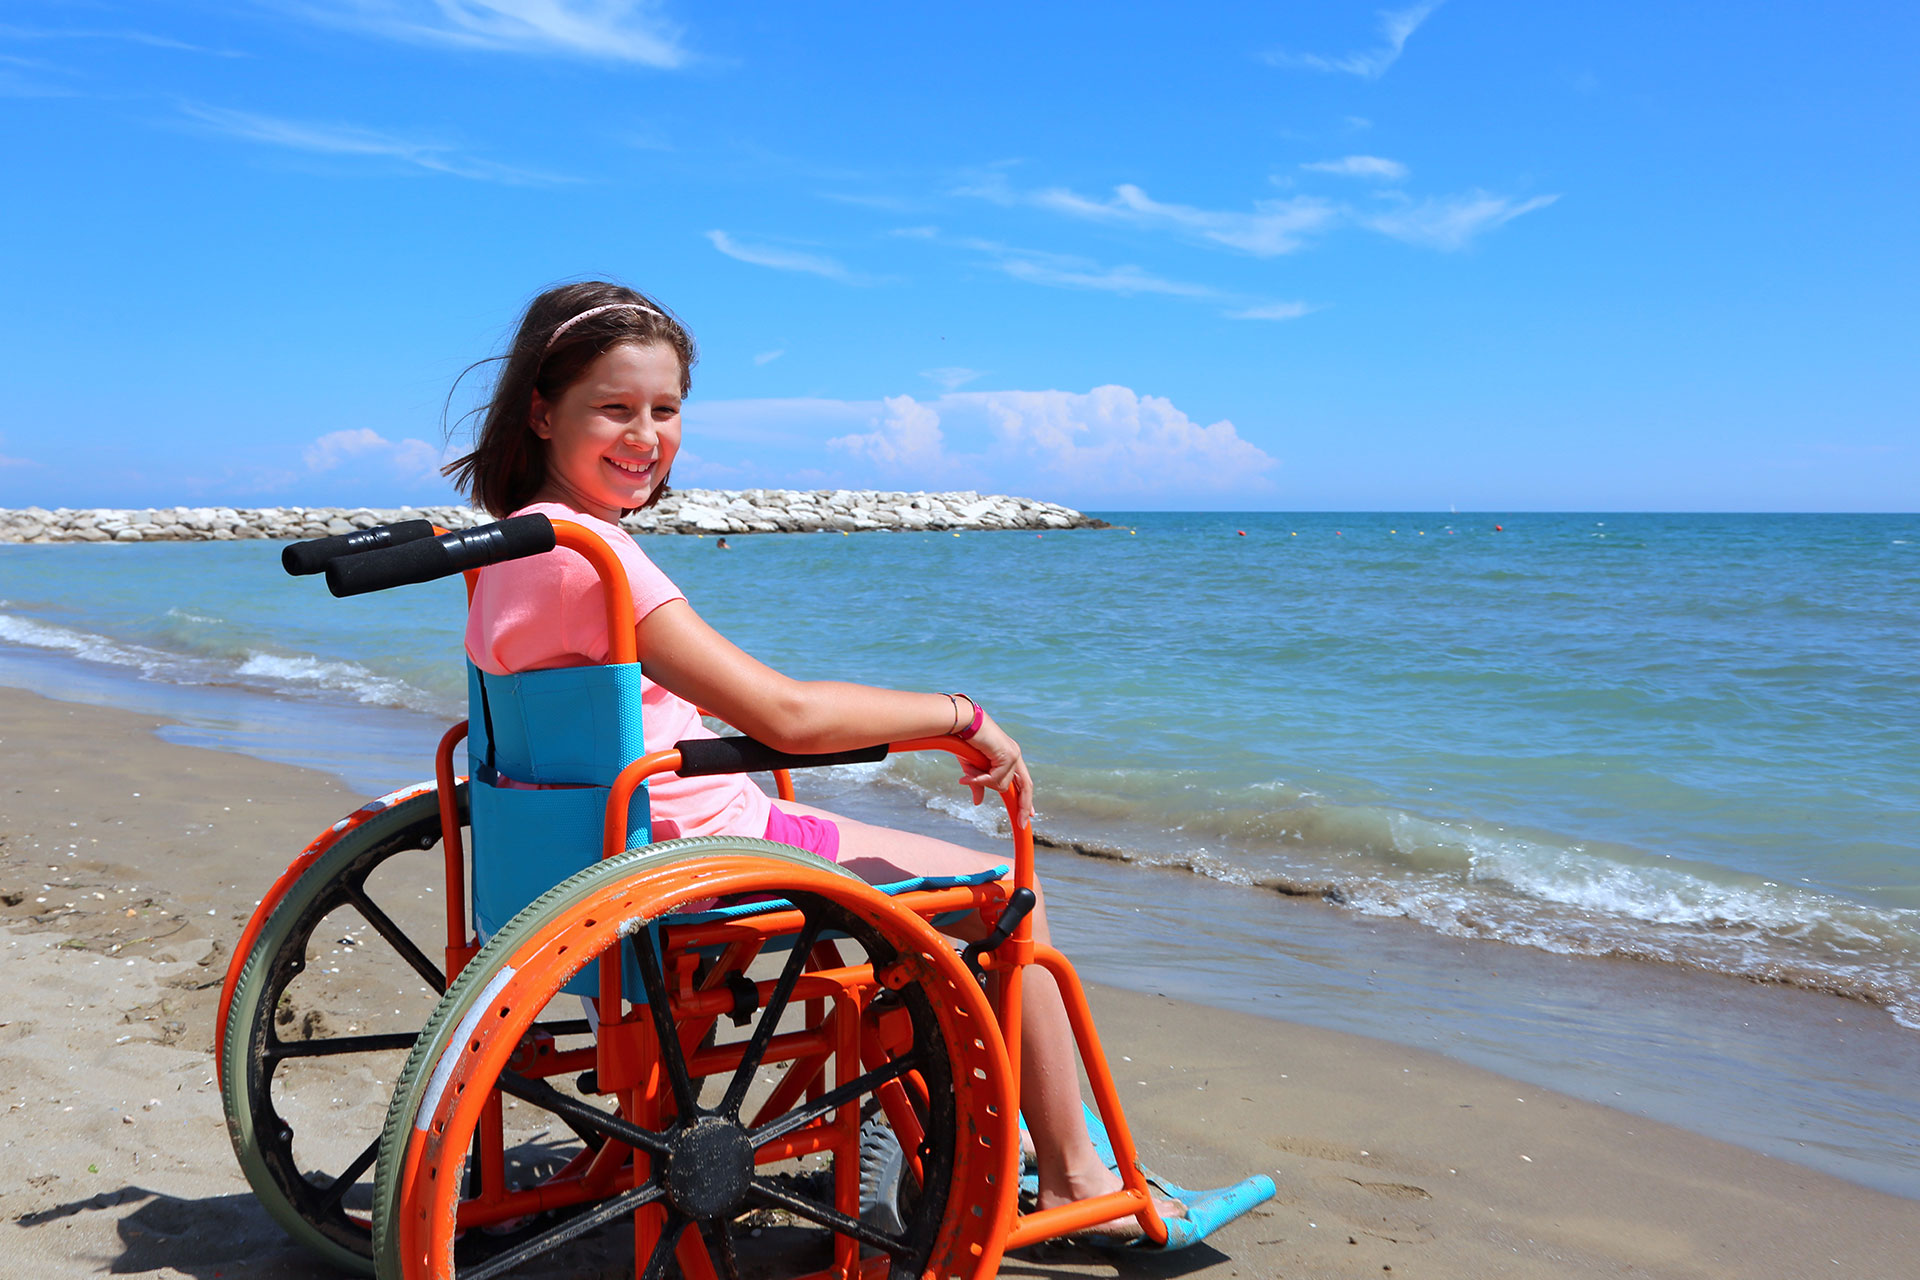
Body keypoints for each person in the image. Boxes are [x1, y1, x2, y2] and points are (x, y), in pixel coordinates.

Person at [444, 280, 1178, 1235]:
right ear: (543, 413)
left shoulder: (504, 548)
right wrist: (957, 716)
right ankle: (1080, 1177)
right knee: (1001, 894)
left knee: (882, 858)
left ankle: (951, 1114)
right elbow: (783, 715)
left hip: (571, 861)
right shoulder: (601, 562)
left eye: (665, 411)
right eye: (615, 409)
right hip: (687, 862)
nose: (646, 436)